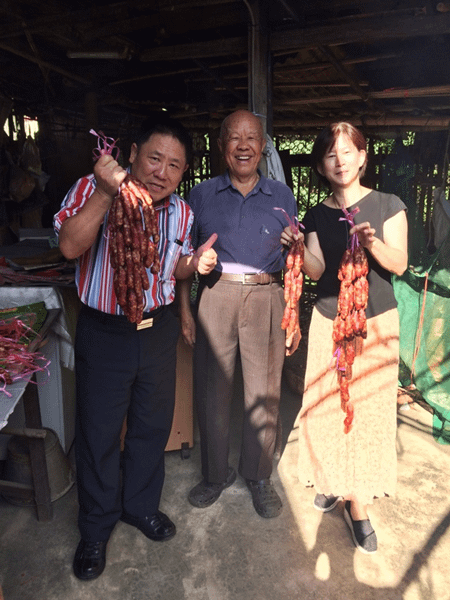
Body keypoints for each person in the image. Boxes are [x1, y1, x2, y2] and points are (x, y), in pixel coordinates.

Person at [54, 116, 217, 581]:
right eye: (154, 158)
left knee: (151, 425)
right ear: (131, 153)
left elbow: (175, 269)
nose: (161, 171)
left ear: (183, 173)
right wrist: (107, 194)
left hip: (158, 329)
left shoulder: (182, 213)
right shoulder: (92, 189)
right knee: (99, 433)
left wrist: (196, 262)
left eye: (174, 165)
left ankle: (140, 507)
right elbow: (68, 246)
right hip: (105, 332)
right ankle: (95, 527)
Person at [281, 122, 408, 553]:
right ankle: (332, 481)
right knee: (326, 409)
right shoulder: (317, 213)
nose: (340, 160)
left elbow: (400, 265)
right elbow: (317, 271)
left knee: (368, 413)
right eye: (331, 155)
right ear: (321, 164)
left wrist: (371, 244)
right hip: (329, 320)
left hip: (376, 325)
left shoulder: (389, 205)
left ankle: (359, 506)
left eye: (348, 152)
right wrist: (298, 246)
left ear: (363, 156)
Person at [182, 109, 298, 518]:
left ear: (263, 146)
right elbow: (184, 258)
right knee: (213, 389)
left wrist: (291, 246)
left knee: (264, 392)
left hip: (267, 295)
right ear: (222, 146)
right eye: (235, 137)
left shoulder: (281, 196)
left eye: (252, 138)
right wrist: (185, 309)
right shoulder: (201, 195)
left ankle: (259, 475)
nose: (244, 145)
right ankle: (215, 474)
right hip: (216, 294)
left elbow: (296, 260)